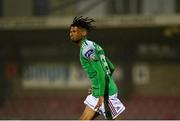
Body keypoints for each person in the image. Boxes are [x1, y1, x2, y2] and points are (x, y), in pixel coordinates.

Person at [69, 16, 125, 120]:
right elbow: (111, 67)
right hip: (98, 91)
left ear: (84, 33)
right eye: (70, 31)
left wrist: (101, 93)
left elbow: (101, 72)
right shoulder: (94, 45)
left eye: (75, 31)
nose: (71, 33)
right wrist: (99, 86)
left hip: (105, 94)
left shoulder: (86, 49)